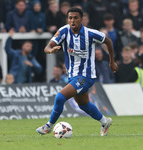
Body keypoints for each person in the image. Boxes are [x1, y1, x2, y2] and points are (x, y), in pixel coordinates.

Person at [36, 7, 118, 136]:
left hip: (87, 75)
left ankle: (49, 126)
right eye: (70, 18)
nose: (72, 20)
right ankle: (104, 121)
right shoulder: (63, 31)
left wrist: (112, 61)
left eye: (75, 18)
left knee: (60, 97)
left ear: (82, 19)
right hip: (72, 76)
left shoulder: (90, 34)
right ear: (67, 19)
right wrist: (50, 50)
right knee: (83, 104)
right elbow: (48, 46)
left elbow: (108, 41)